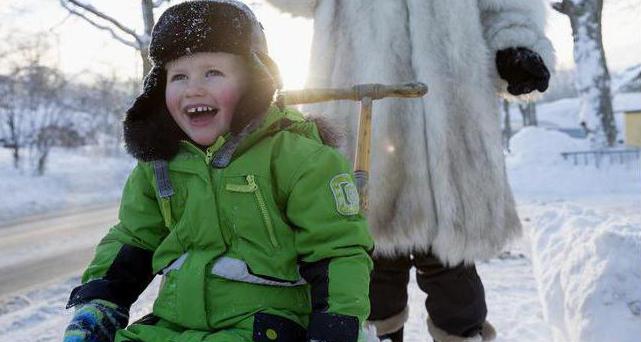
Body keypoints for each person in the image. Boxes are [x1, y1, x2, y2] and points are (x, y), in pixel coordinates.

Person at [62, 1, 373, 341]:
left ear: (254, 82)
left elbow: (337, 251)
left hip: (267, 328)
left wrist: (335, 328)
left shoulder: (299, 159)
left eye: (213, 72)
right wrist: (99, 303)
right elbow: (134, 239)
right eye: (179, 76)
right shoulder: (161, 166)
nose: (193, 88)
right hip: (175, 326)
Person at [264, 1, 555, 341]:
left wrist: (516, 47)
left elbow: (506, 9)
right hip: (364, 127)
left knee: (455, 276)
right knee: (368, 270)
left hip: (449, 133)